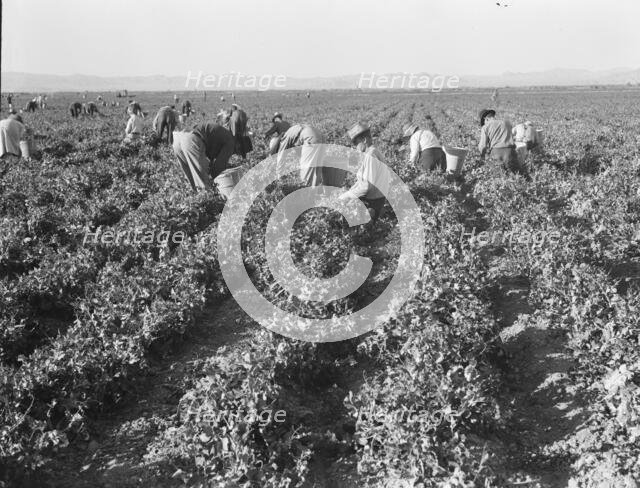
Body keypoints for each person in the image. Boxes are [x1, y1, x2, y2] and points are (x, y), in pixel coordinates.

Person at [339, 123, 390, 224]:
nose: (355, 147)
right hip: (373, 197)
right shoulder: (369, 153)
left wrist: (347, 196)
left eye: (356, 144)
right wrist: (349, 192)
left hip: (375, 200)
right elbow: (362, 181)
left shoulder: (371, 155)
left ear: (364, 140)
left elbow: (367, 186)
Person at [172, 121, 235, 192]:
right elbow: (217, 169)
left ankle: (196, 198)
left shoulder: (223, 134)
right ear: (239, 144)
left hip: (178, 138)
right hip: (191, 140)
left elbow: (209, 157)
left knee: (192, 179)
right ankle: (208, 200)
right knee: (202, 182)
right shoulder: (231, 142)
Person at [478, 109, 527, 177]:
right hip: (510, 152)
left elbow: (482, 146)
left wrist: (482, 156)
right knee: (519, 176)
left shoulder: (485, 127)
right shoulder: (506, 123)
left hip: (496, 153)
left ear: (486, 119)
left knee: (499, 178)